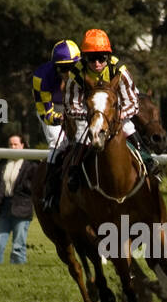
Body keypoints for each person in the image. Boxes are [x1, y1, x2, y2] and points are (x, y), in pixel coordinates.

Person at [44, 28, 152, 210]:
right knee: (81, 134)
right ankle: (74, 171)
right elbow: (71, 104)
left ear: (108, 56)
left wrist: (116, 116)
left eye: (101, 58)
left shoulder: (119, 70)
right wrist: (92, 116)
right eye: (92, 58)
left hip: (115, 113)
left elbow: (133, 101)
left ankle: (146, 159)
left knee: (129, 127)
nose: (97, 63)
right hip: (88, 114)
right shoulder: (76, 74)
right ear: (84, 58)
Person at [0, 134, 36, 264]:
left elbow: (34, 187)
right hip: (3, 208)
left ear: (22, 146)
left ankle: (18, 272)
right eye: (10, 144)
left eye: (15, 144)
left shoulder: (31, 165)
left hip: (22, 209)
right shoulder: (2, 164)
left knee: (18, 247)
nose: (12, 147)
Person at [32, 39, 81, 152]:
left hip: (76, 107)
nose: (68, 73)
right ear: (55, 67)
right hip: (53, 108)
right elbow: (46, 114)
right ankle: (52, 167)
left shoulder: (85, 71)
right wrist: (61, 118)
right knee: (58, 144)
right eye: (63, 68)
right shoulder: (41, 77)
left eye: (72, 67)